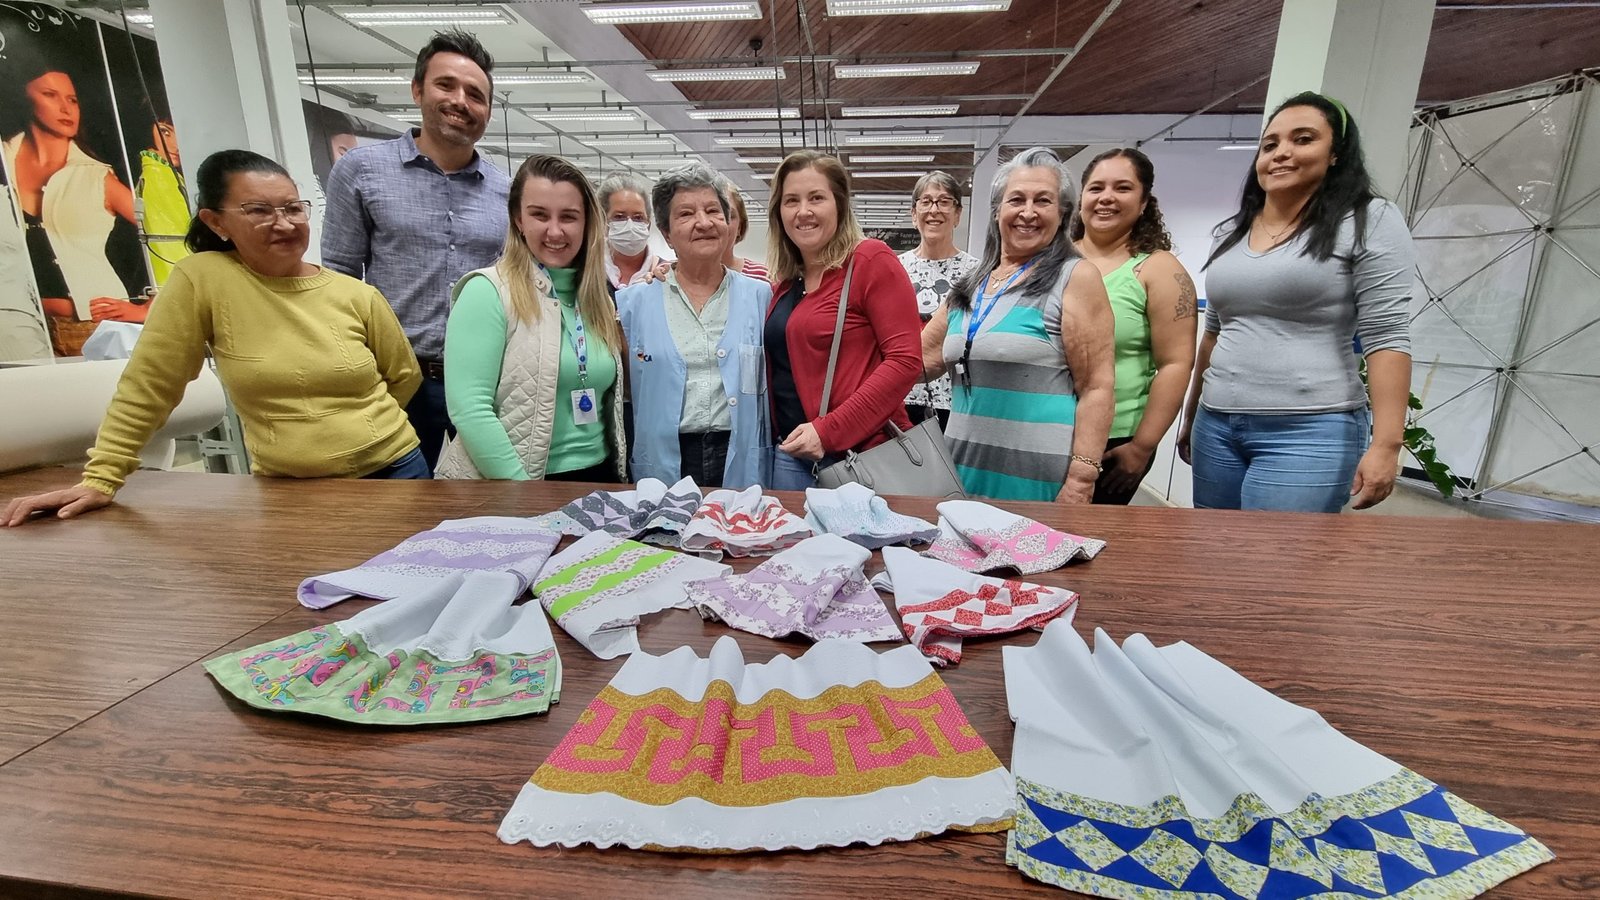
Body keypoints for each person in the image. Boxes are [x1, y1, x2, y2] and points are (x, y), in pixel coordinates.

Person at [2, 149, 425, 527]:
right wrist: (101, 478)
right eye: (259, 210)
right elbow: (150, 384)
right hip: (291, 488)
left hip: (392, 472)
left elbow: (403, 375)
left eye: (294, 209)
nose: (283, 223)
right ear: (216, 221)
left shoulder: (356, 294)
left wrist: (358, 432)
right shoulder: (204, 280)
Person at [1178, 92, 1413, 513]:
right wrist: (1193, 413)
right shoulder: (1230, 231)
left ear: (1336, 154)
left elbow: (1387, 335)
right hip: (1217, 426)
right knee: (1213, 562)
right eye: (1270, 144)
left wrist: (1387, 444)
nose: (1282, 153)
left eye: (1303, 140)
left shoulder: (1367, 220)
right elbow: (1215, 329)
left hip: (1310, 429)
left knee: (1275, 566)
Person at [322, 29, 509, 474]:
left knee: (487, 500)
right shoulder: (361, 170)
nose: (461, 101)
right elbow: (339, 278)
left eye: (476, 95)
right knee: (400, 505)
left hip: (488, 381)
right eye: (446, 85)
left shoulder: (505, 189)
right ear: (417, 89)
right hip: (399, 379)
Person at [920, 147, 1115, 503]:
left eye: (1043, 201)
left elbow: (1097, 388)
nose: (1028, 212)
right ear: (997, 212)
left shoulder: (1075, 278)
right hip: (962, 470)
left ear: (1063, 214)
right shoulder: (972, 283)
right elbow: (917, 361)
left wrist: (1082, 480)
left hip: (1036, 481)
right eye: (1016, 200)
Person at [435, 154, 625, 482]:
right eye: (539, 215)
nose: (555, 231)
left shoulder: (596, 300)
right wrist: (524, 494)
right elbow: (470, 410)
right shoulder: (487, 292)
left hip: (599, 476)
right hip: (518, 482)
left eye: (569, 217)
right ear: (518, 219)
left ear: (587, 224)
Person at [765, 150, 922, 491]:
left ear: (839, 204)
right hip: (791, 455)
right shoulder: (787, 283)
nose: (803, 211)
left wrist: (828, 430)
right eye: (791, 200)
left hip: (861, 455)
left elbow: (905, 361)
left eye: (816, 198)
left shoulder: (870, 260)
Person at [617, 164, 771, 488]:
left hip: (740, 453)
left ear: (728, 223)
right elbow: (625, 390)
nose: (703, 222)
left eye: (713, 210)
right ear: (667, 232)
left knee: (739, 536)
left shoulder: (761, 296)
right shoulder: (633, 303)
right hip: (665, 457)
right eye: (686, 214)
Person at [1069, 148, 1198, 505]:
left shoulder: (1158, 269)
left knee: (1081, 544)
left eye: (1122, 188)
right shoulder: (1053, 258)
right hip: (1041, 429)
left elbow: (1176, 363)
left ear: (1144, 203)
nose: (1106, 197)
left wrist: (1142, 446)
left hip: (1113, 440)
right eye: (1096, 188)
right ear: (1081, 199)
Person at [3, 64, 139, 355]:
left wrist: (148, 308)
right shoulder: (4, 161)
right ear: (25, 99)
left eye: (73, 99)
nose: (66, 108)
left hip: (91, 327)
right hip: (19, 328)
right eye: (51, 95)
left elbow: (172, 235)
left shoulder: (97, 176)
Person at [898, 171, 977, 430]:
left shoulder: (976, 273)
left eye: (944, 201)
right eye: (926, 201)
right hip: (900, 399)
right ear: (914, 214)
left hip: (957, 402)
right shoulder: (894, 269)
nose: (935, 210)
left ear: (957, 214)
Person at [136, 117, 192, 293]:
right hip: (180, 279)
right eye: (165, 132)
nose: (176, 145)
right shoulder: (158, 175)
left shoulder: (160, 172)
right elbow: (175, 238)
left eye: (180, 133)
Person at [598, 172, 668, 289]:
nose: (630, 225)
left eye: (638, 217)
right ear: (603, 222)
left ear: (648, 225)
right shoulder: (586, 274)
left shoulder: (664, 275)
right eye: (619, 217)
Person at [721, 185, 769, 280]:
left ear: (740, 227)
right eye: (711, 212)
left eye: (730, 215)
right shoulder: (683, 283)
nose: (720, 223)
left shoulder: (763, 278)